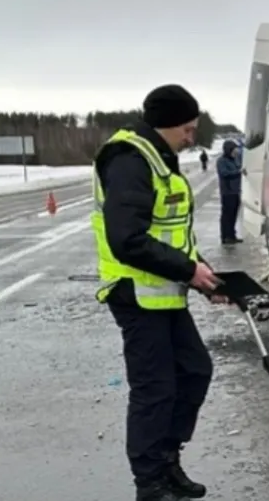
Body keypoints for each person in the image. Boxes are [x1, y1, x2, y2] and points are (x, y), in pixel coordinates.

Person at [90, 83, 227, 501]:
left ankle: (167, 460)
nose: (191, 137)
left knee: (194, 371)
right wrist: (188, 271)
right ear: (167, 125)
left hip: (166, 291)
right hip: (135, 293)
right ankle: (149, 483)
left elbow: (169, 233)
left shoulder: (159, 158)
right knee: (154, 390)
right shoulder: (130, 159)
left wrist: (202, 274)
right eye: (187, 129)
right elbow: (126, 238)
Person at [215, 140, 243, 245]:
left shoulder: (235, 160)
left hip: (236, 191)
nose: (236, 152)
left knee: (234, 214)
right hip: (227, 192)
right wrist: (238, 172)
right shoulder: (221, 161)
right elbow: (224, 173)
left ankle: (232, 235)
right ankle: (225, 236)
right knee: (227, 215)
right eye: (234, 150)